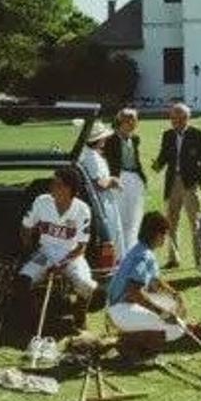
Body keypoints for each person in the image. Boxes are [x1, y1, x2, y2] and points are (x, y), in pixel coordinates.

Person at [15, 165, 98, 333]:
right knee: (23, 281)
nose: (51, 186)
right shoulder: (42, 201)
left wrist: (61, 265)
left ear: (69, 188)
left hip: (71, 255)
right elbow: (25, 228)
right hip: (44, 253)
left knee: (87, 285)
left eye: (57, 183)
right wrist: (30, 251)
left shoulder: (82, 209)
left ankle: (79, 317)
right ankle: (37, 322)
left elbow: (81, 247)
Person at [106, 211, 188, 359]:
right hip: (122, 309)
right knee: (178, 327)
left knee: (175, 313)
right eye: (164, 234)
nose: (165, 239)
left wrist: (174, 296)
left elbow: (154, 283)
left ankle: (134, 337)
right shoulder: (144, 256)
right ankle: (129, 341)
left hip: (120, 308)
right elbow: (134, 291)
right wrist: (162, 312)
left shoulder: (141, 249)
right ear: (157, 235)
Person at [152, 103, 201, 268]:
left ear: (186, 118)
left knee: (195, 223)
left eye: (177, 118)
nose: (173, 121)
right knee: (171, 222)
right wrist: (157, 165)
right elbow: (163, 156)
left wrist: (199, 180)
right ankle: (173, 258)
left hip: (191, 184)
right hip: (172, 183)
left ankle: (199, 260)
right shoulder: (168, 135)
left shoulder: (197, 134)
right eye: (172, 118)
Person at [103, 108, 145, 259]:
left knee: (134, 216)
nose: (132, 123)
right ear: (121, 121)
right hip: (118, 179)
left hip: (135, 179)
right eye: (129, 120)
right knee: (119, 216)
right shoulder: (110, 139)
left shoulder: (135, 139)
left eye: (134, 120)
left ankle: (131, 251)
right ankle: (118, 254)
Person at [78, 120, 123, 256]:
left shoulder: (87, 153)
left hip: (100, 199)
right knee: (111, 230)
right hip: (101, 200)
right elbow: (99, 183)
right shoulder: (92, 157)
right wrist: (113, 181)